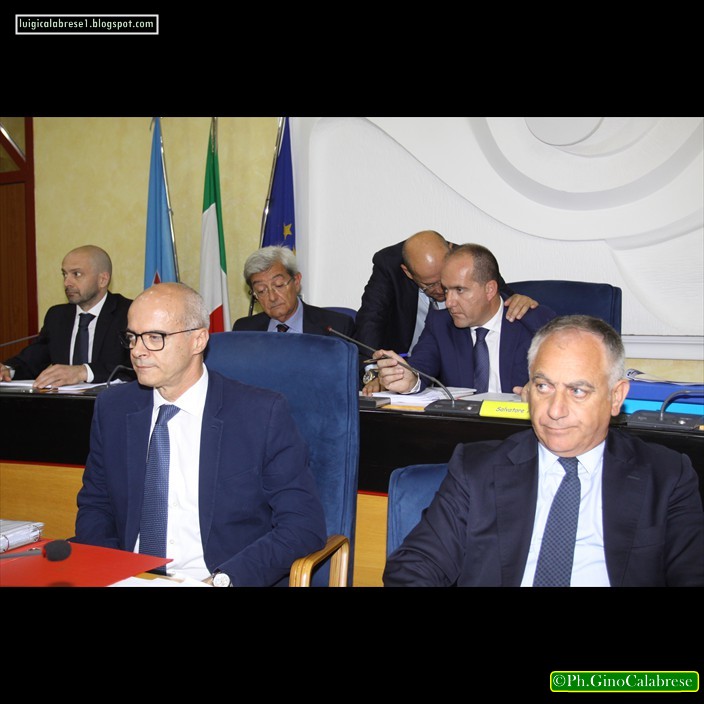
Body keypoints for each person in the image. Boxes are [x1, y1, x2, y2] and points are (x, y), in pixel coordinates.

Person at [383, 315, 704, 586]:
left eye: (577, 390)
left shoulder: (666, 477)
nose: (555, 410)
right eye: (543, 386)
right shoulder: (476, 469)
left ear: (616, 396)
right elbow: (413, 568)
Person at [74, 282, 327, 587]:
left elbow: (302, 525)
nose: (137, 351)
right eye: (132, 337)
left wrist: (222, 581)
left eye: (154, 337)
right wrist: (114, 572)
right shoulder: (113, 408)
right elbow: (96, 506)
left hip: (218, 578)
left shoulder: (260, 414)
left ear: (198, 340)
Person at [368, 243, 555, 395]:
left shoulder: (535, 322)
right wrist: (408, 379)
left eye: (459, 290)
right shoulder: (440, 324)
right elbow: (420, 368)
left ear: (490, 289)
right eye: (446, 289)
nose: (449, 302)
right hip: (461, 428)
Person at [355, 230, 537, 355]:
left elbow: (498, 297)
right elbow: (370, 320)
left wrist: (518, 301)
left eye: (444, 281)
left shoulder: (468, 261)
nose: (441, 291)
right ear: (408, 272)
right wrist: (373, 369)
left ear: (451, 251)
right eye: (429, 285)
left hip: (456, 364)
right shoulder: (388, 265)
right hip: (405, 362)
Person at [1, 245, 132, 388]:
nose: (66, 283)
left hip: (112, 399)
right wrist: (8, 370)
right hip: (64, 401)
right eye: (65, 274)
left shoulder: (129, 313)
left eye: (76, 274)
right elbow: (32, 361)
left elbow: (134, 366)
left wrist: (83, 372)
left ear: (103, 280)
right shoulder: (57, 316)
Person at [232, 245, 356, 337]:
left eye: (279, 285)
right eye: (261, 290)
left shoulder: (337, 327)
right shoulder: (243, 330)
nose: (272, 298)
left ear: (296, 281)